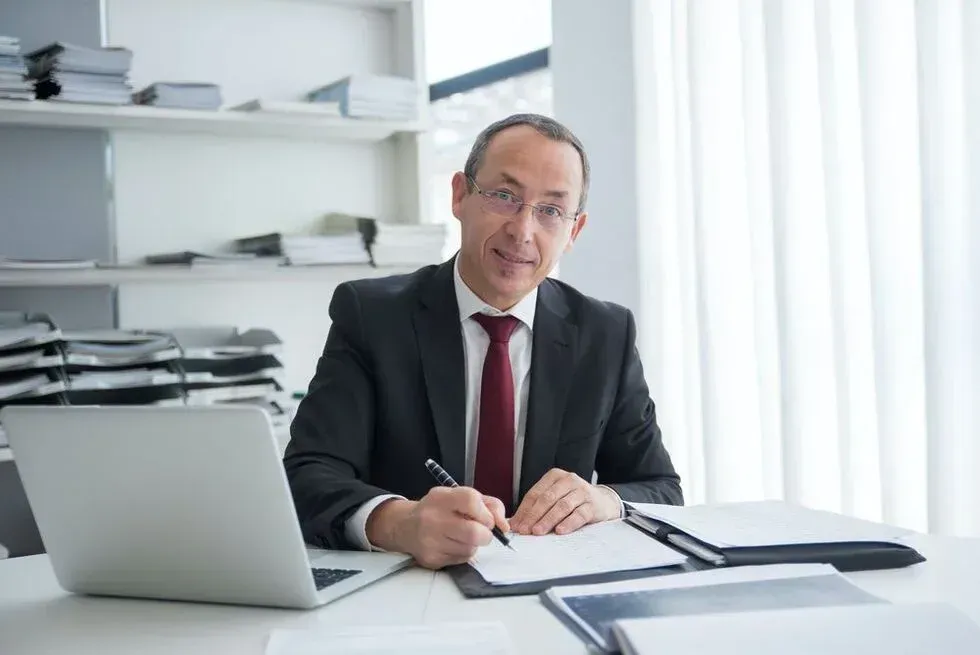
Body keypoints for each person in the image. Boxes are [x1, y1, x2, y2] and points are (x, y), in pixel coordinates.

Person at [284, 113, 682, 570]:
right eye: (504, 196)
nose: (522, 231)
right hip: (408, 594)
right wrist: (400, 523)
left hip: (549, 591)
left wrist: (603, 499)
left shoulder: (604, 333)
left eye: (551, 210)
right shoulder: (373, 315)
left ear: (573, 231)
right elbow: (307, 475)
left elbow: (661, 487)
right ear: (460, 195)